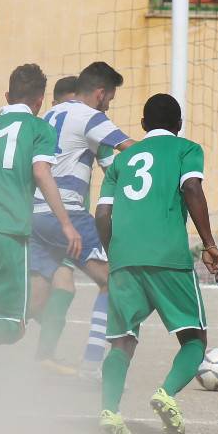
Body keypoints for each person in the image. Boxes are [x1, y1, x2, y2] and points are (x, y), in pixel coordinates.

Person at [94, 93, 218, 434]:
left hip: (123, 258)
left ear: (142, 125)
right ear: (178, 125)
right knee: (194, 337)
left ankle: (109, 411)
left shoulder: (122, 160)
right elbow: (192, 187)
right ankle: (165, 393)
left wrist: (115, 255)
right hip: (168, 257)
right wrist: (209, 244)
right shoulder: (186, 149)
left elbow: (103, 214)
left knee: (121, 342)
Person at [0, 63, 81, 379]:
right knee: (12, 326)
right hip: (6, 231)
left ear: (6, 96)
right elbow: (40, 172)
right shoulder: (39, 129)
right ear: (39, 102)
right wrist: (65, 223)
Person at [26, 62, 136, 380]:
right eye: (110, 99)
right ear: (100, 93)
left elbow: (105, 162)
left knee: (54, 287)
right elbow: (130, 151)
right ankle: (91, 364)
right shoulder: (90, 117)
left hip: (35, 213)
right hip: (67, 213)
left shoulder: (49, 115)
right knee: (112, 282)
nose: (108, 105)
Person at [26, 76, 81, 374]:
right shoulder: (45, 128)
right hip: (50, 216)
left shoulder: (46, 122)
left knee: (63, 286)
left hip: (51, 216)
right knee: (39, 296)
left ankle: (45, 355)